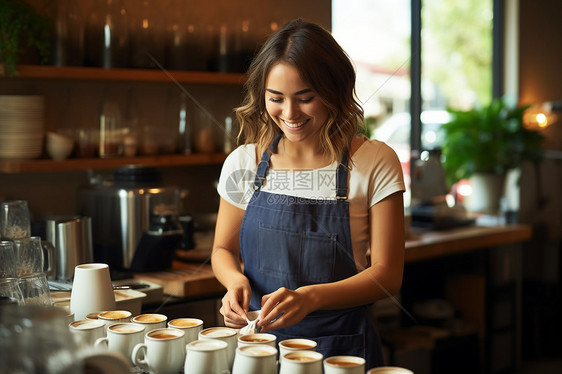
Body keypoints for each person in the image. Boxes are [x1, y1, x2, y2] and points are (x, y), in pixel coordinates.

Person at [211, 18, 405, 369]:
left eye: (305, 98)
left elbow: (388, 275)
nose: (289, 113)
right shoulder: (244, 162)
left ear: (334, 91)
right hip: (259, 348)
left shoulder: (375, 160)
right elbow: (222, 249)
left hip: (341, 352)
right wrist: (233, 281)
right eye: (276, 99)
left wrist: (311, 297)